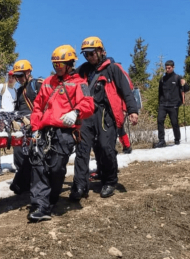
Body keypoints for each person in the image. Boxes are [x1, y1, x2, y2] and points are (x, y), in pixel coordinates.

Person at [28, 45, 94, 222]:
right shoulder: (48, 82)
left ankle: (51, 198)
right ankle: (40, 204)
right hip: (44, 130)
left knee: (56, 168)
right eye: (55, 64)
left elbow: (88, 104)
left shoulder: (80, 83)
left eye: (60, 64)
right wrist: (35, 129)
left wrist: (76, 112)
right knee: (39, 166)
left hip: (65, 132)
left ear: (70, 63)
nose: (57, 67)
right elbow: (37, 107)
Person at [71, 36, 138, 200]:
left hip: (105, 113)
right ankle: (80, 185)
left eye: (91, 53)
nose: (89, 57)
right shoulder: (83, 70)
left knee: (105, 147)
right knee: (82, 148)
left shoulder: (113, 69)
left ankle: (110, 180)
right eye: (85, 55)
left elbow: (125, 91)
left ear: (101, 51)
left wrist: (132, 110)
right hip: (87, 112)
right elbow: (69, 79)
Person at [9, 59, 42, 195]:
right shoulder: (19, 90)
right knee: (19, 153)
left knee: (34, 154)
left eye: (21, 75)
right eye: (16, 76)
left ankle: (30, 184)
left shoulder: (38, 84)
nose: (18, 79)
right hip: (22, 127)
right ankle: (24, 183)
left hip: (37, 126)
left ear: (29, 72)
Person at [154, 60, 189, 148]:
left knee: (174, 122)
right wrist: (160, 102)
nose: (167, 69)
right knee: (160, 120)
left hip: (173, 104)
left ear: (173, 67)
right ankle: (161, 140)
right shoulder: (162, 79)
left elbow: (186, 88)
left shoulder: (177, 77)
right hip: (163, 104)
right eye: (166, 68)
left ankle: (177, 139)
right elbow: (159, 92)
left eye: (169, 68)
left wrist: (184, 84)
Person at [0, 70, 17, 175]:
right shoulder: (1, 87)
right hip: (0, 117)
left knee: (15, 140)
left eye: (13, 77)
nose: (10, 79)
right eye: (9, 76)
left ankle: (16, 164)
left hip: (11, 119)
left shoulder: (15, 90)